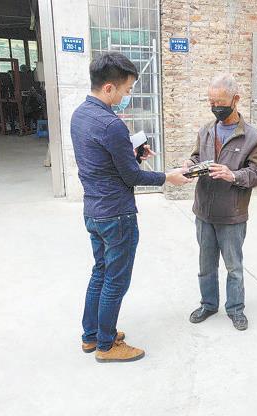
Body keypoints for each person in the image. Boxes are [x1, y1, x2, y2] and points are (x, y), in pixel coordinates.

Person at [71, 52, 190, 363]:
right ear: (109, 87)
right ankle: (107, 345)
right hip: (116, 214)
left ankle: (91, 335)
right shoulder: (111, 124)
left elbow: (103, 162)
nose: (128, 95)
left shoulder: (80, 115)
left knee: (100, 272)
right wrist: (168, 176)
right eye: (127, 90)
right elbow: (132, 177)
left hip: (93, 210)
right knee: (115, 280)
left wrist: (132, 153)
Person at [184, 73, 257, 331]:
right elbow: (196, 156)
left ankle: (235, 309)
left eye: (220, 102)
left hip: (232, 214)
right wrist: (189, 165)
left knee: (234, 267)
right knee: (205, 265)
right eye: (211, 102)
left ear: (235, 99)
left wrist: (233, 175)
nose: (215, 107)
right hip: (204, 212)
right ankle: (208, 304)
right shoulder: (206, 130)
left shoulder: (252, 137)